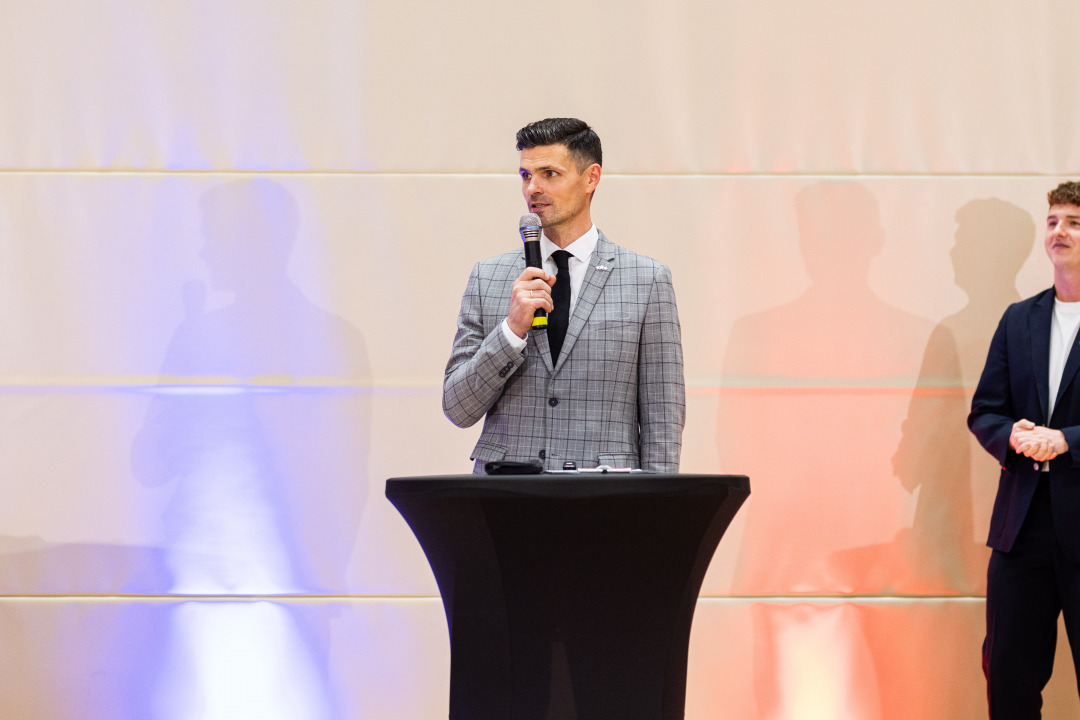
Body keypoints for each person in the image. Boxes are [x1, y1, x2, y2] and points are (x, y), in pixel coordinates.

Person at [443, 117, 685, 473]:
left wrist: (658, 503)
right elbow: (457, 408)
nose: (533, 188)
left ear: (591, 178)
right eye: (526, 175)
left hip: (604, 492)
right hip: (506, 492)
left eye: (549, 174)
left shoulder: (647, 280)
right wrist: (510, 332)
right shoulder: (487, 277)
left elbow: (662, 420)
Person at [969, 181, 1080, 717]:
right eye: (1053, 221)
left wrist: (1066, 440)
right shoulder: (1019, 319)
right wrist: (1012, 435)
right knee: (1008, 676)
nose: (1060, 232)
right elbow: (984, 411)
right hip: (1021, 529)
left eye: (1075, 222)